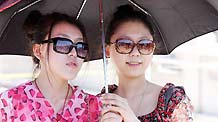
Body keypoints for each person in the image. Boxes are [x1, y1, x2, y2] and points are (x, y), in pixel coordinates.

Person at [0, 11, 101, 121]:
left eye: (80, 46)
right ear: (38, 51)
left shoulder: (95, 108)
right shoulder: (9, 103)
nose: (74, 53)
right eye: (63, 44)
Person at [100, 5, 193, 122]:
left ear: (152, 49)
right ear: (107, 50)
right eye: (124, 44)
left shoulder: (172, 102)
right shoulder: (101, 104)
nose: (135, 53)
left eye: (144, 45)